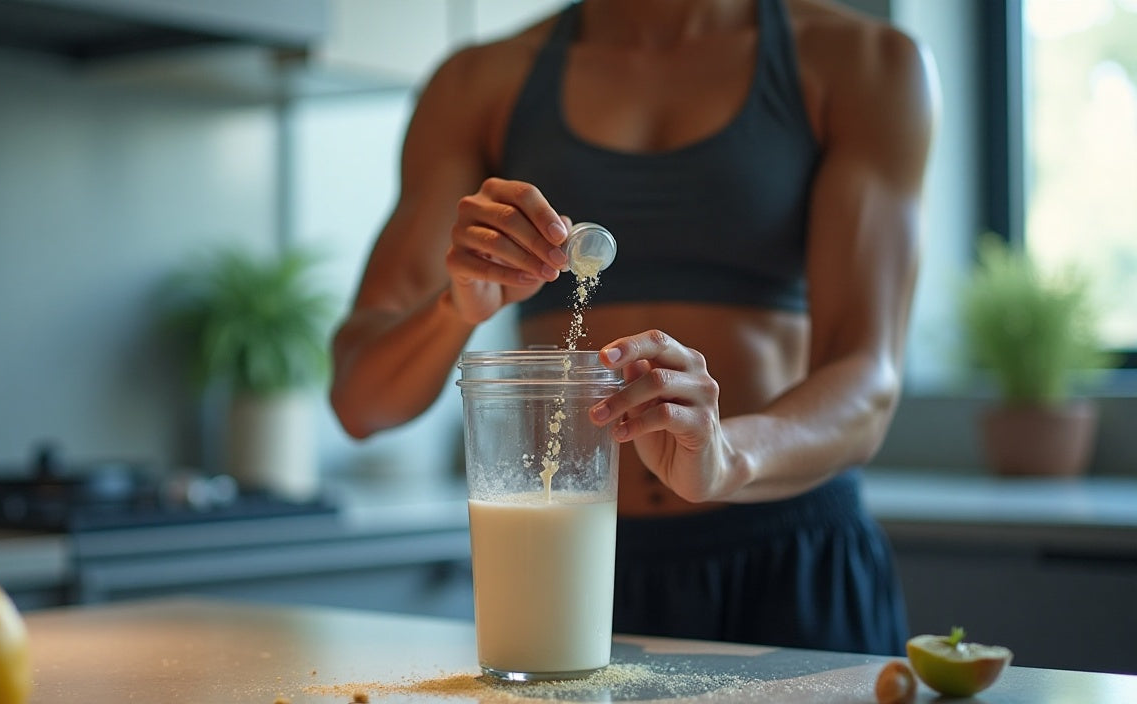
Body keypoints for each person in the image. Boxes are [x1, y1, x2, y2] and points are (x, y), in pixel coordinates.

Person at [329, 0, 935, 657]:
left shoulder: (863, 63)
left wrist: (728, 458)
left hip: (787, 560)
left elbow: (867, 379)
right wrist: (457, 310)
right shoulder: (479, 82)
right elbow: (361, 402)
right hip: (566, 564)